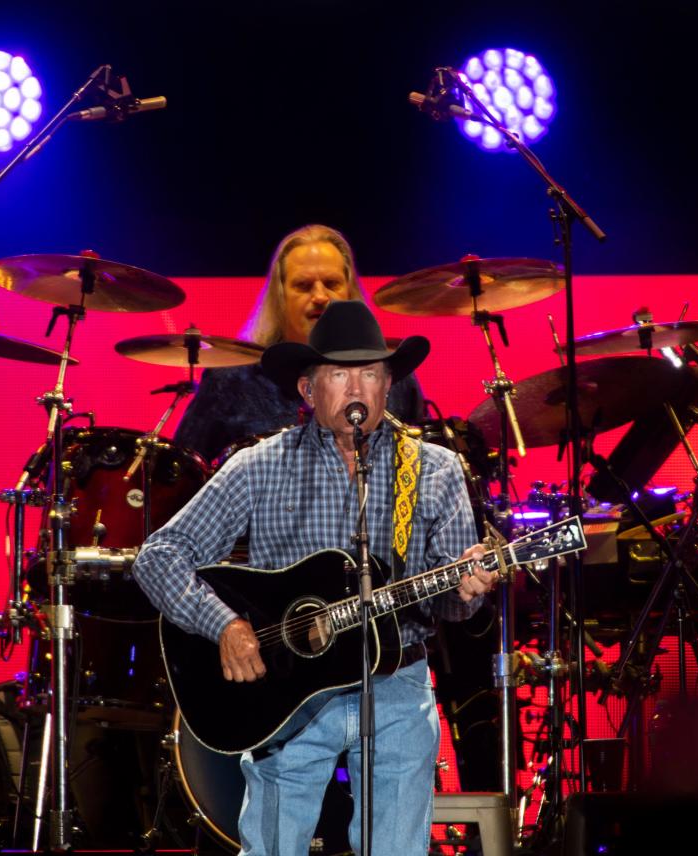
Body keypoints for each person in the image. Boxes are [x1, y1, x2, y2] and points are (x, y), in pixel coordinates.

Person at [133, 300, 499, 855]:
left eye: (371, 373)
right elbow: (159, 555)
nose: (358, 386)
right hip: (287, 695)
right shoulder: (259, 466)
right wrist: (225, 626)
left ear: (388, 385)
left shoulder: (433, 469)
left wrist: (469, 589)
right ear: (309, 390)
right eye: (340, 373)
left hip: (397, 686)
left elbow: (448, 608)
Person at [173, 224, 425, 464]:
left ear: (349, 291)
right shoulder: (230, 381)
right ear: (280, 297)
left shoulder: (396, 378)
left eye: (331, 284)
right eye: (303, 286)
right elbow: (185, 474)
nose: (319, 296)